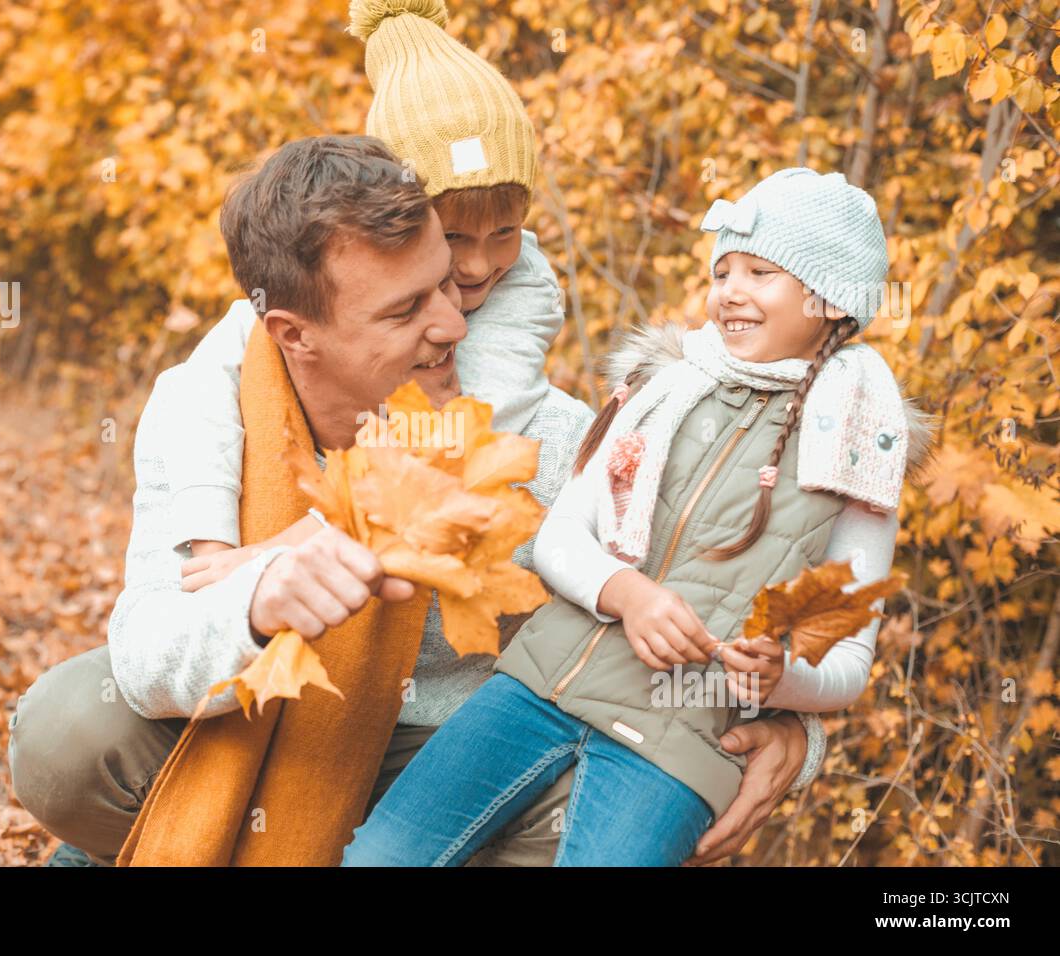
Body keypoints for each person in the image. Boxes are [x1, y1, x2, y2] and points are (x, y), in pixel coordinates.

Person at [343, 167, 935, 866]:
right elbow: (562, 536)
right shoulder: (662, 391)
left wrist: (782, 681)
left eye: (760, 272)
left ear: (832, 299)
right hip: (540, 681)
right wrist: (626, 594)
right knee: (381, 855)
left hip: (682, 737)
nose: (730, 293)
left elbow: (847, 660)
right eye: (723, 272)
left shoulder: (862, 448)